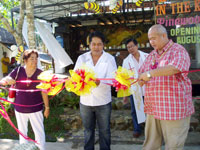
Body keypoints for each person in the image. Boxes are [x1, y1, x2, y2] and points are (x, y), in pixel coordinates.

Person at [138, 24, 194, 150]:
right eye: (149, 39)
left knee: (173, 145)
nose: (151, 42)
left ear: (164, 36)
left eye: (154, 38)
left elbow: (175, 67)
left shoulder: (178, 50)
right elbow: (142, 72)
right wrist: (141, 79)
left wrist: (149, 74)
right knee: (150, 145)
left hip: (173, 108)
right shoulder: (152, 54)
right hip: (153, 108)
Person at [74, 31, 117, 150]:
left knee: (105, 131)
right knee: (88, 131)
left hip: (103, 101)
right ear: (89, 45)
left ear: (103, 45)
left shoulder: (109, 58)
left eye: (99, 44)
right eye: (94, 44)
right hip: (86, 101)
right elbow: (75, 77)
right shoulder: (82, 58)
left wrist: (100, 82)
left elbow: (113, 79)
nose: (96, 47)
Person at [0, 49, 50, 150]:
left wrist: (47, 107)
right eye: (32, 58)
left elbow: (44, 92)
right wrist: (5, 80)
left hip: (36, 108)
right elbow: (8, 79)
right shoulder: (18, 71)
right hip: (20, 108)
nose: (35, 61)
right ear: (25, 60)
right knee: (22, 133)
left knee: (39, 132)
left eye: (36, 58)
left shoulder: (41, 74)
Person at [122, 38, 148, 138]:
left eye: (132, 46)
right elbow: (124, 79)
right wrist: (125, 95)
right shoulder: (126, 61)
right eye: (128, 47)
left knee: (150, 110)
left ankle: (150, 129)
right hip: (134, 90)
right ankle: (137, 129)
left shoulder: (147, 56)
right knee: (135, 111)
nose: (130, 49)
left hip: (148, 88)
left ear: (137, 46)